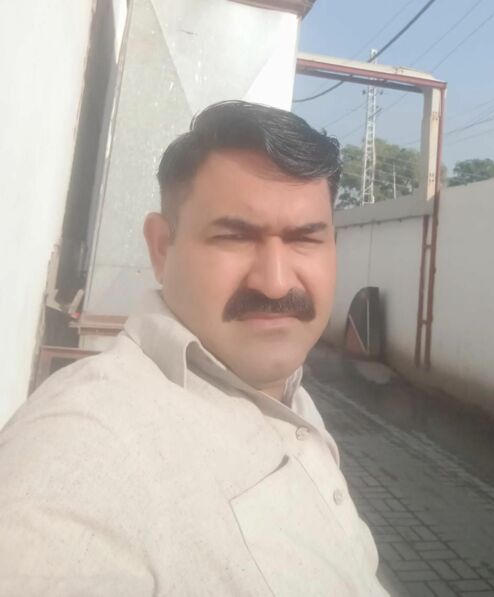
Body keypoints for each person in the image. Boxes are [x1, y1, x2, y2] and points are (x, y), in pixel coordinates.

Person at [0, 101, 389, 596]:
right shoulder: (80, 447)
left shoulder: (289, 396)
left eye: (304, 239)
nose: (274, 282)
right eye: (235, 237)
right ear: (161, 248)